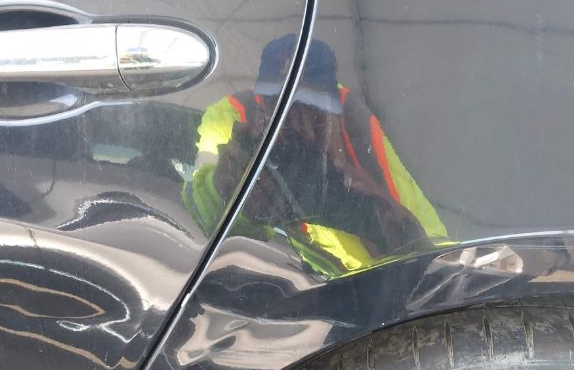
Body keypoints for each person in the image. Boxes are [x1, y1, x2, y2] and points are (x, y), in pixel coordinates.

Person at [183, 35, 450, 277]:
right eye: (283, 111)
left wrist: (378, 208)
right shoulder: (231, 121)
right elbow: (202, 215)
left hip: (369, 290)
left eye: (314, 112)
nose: (304, 130)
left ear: (335, 111)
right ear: (261, 104)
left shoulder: (361, 130)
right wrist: (228, 192)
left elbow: (435, 258)